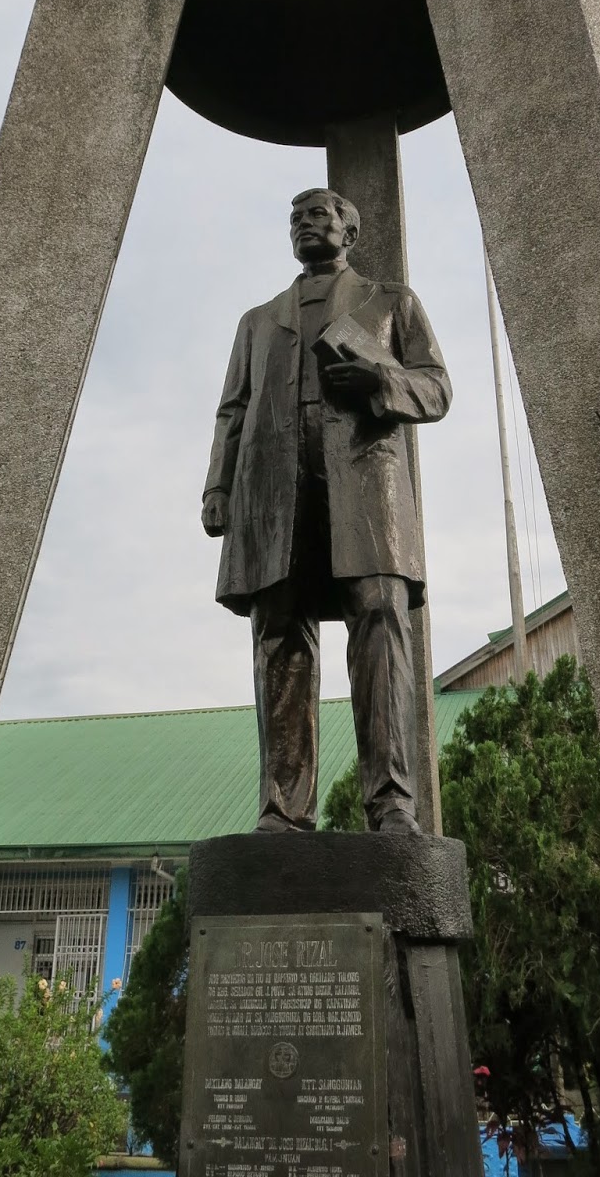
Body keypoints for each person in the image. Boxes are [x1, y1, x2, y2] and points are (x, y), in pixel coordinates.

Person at [202, 187, 451, 833]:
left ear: (350, 231)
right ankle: (283, 810)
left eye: (319, 214)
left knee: (378, 621)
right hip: (273, 494)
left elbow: (437, 387)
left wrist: (381, 382)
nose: (304, 223)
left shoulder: (390, 302)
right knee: (279, 633)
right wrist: (218, 487)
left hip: (365, 487)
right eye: (294, 217)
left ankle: (392, 802)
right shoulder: (257, 321)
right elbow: (232, 410)